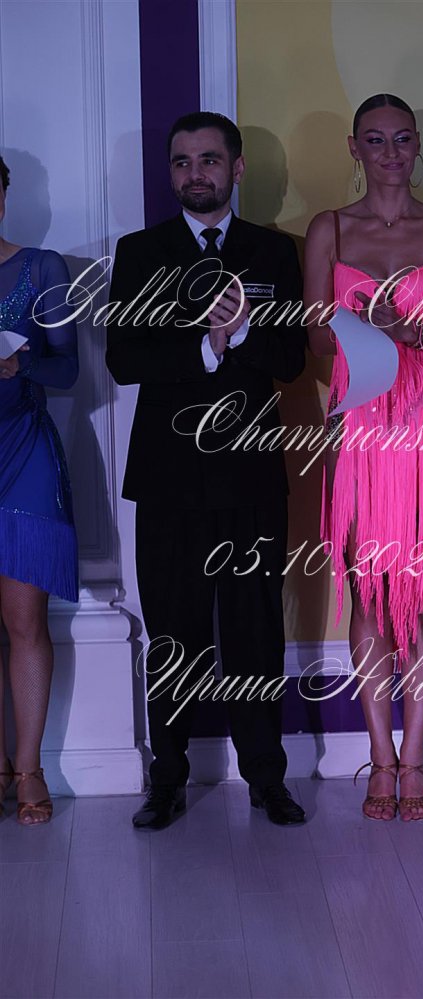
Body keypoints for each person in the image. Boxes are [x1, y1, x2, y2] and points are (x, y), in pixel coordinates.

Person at [106, 112, 306, 828]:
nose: (195, 173)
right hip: (167, 478)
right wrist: (206, 347)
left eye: (209, 160)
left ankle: (266, 778)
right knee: (173, 633)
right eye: (182, 162)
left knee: (255, 630)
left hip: (251, 477)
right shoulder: (140, 253)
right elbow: (124, 359)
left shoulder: (274, 252)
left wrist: (245, 330)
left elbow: (291, 361)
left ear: (237, 168)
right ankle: (167, 778)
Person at [304, 95, 423, 821]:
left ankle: (414, 759)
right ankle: (379, 758)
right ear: (354, 148)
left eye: (402, 139)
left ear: (417, 149)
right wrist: (360, 326)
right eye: (375, 140)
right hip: (358, 425)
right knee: (367, 590)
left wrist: (417, 330)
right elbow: (314, 340)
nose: (389, 152)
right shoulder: (329, 229)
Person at [0, 153, 78, 825]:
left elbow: (68, 369)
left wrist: (19, 363)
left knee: (25, 620)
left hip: (24, 449)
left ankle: (29, 768)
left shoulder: (42, 267)